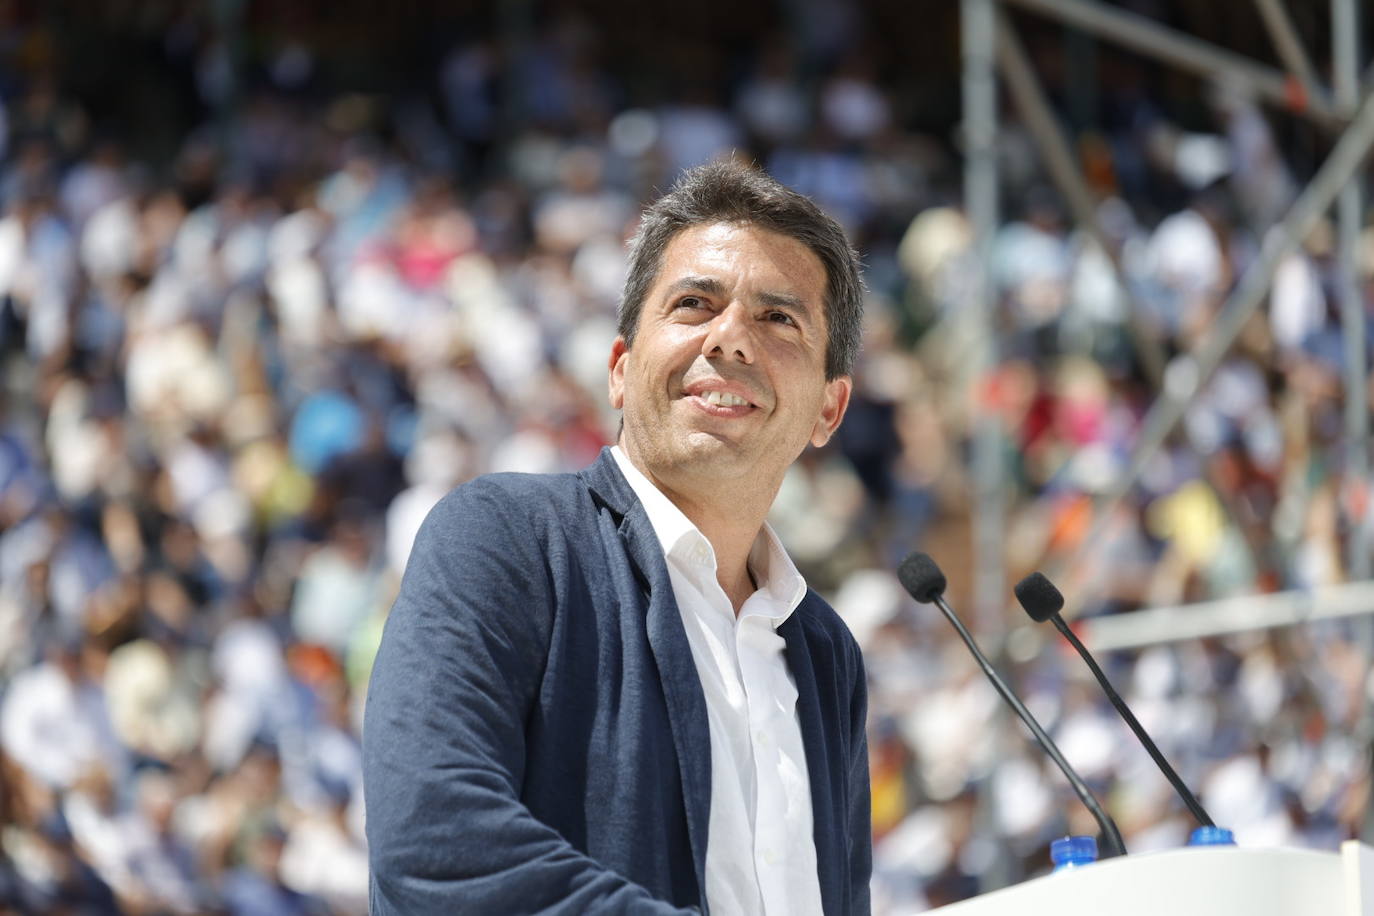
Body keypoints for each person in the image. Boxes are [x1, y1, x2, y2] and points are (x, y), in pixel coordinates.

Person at [363, 159, 871, 915]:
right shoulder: (505, 539)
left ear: (830, 409)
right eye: (695, 304)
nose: (729, 339)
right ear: (620, 371)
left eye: (779, 318)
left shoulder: (826, 652)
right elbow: (438, 845)